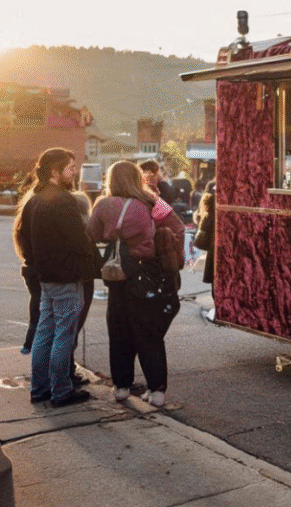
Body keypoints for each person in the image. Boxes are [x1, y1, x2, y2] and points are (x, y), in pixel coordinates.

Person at [88, 161, 184, 408]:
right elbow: (178, 227)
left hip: (117, 274)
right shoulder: (152, 202)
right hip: (147, 273)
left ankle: (121, 387)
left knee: (119, 330)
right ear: (136, 178)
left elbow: (94, 234)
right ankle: (157, 391)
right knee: (149, 333)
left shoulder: (103, 205)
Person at [12, 148, 96, 407]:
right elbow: (79, 240)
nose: (74, 171)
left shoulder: (34, 200)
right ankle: (61, 391)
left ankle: (40, 389)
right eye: (70, 167)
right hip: (65, 276)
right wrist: (95, 263)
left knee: (45, 333)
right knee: (64, 335)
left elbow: (24, 238)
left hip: (45, 277)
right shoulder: (62, 200)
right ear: (55, 172)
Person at [69, 190, 98, 386]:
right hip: (81, 280)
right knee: (73, 327)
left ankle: (64, 369)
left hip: (65, 278)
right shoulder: (84, 228)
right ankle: (67, 371)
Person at [193, 179, 215, 291]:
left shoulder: (211, 185)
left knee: (215, 279)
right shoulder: (212, 184)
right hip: (216, 237)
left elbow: (202, 212)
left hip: (213, 239)